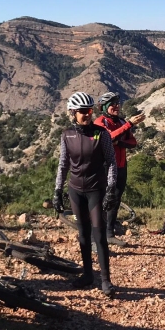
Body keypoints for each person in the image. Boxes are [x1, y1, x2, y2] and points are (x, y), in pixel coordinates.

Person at [53, 92, 119, 296]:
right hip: (75, 191)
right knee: (83, 235)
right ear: (72, 113)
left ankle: (106, 280)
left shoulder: (102, 134)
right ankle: (88, 274)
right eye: (82, 111)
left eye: (89, 110)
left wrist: (111, 188)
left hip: (96, 191)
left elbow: (111, 162)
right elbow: (63, 165)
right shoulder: (66, 135)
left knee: (99, 236)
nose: (86, 115)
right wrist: (57, 190)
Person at [93, 91, 145, 247]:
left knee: (115, 199)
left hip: (121, 166)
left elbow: (133, 142)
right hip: (105, 166)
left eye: (118, 103)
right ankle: (96, 232)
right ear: (104, 107)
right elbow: (107, 138)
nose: (116, 106)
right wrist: (129, 125)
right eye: (112, 104)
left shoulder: (121, 122)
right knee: (103, 199)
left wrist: (118, 142)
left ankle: (109, 233)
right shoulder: (100, 122)